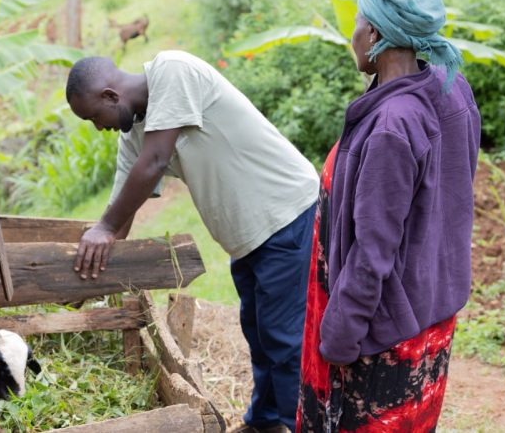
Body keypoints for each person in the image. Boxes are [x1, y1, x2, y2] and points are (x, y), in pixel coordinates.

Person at [65, 50, 320, 432]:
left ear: (110, 96)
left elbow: (154, 162)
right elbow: (117, 221)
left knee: (285, 339)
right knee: (259, 331)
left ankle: (300, 424)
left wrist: (103, 227)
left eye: (93, 117)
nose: (97, 127)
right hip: (248, 237)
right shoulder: (134, 136)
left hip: (287, 214)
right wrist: (81, 276)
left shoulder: (173, 71)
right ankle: (265, 422)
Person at [297, 0, 481, 432]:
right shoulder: (449, 85)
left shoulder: (392, 127)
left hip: (381, 336)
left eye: (358, 23)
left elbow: (372, 250)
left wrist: (340, 337)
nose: (353, 35)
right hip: (429, 310)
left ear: (375, 34)